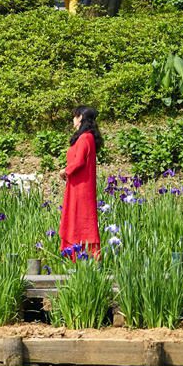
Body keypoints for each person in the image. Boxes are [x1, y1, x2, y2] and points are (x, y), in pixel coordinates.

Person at [59, 106, 101, 259]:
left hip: (81, 187)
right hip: (77, 184)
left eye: (75, 116)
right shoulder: (85, 137)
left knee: (80, 218)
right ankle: (77, 255)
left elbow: (79, 161)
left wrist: (64, 171)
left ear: (81, 118)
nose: (73, 120)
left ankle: (84, 256)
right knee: (76, 217)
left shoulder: (85, 137)